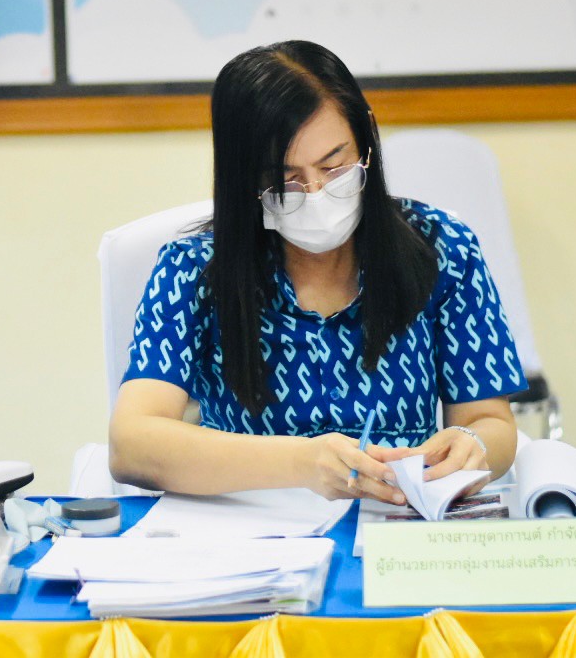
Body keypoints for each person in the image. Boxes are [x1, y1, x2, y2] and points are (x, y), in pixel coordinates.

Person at [108, 41, 524, 499]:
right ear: (243, 176)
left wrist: (474, 445)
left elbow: (490, 422)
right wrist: (302, 462)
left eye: (335, 165)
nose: (317, 192)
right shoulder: (194, 270)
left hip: (398, 524)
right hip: (252, 535)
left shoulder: (442, 248)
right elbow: (131, 445)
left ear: (366, 138)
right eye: (285, 180)